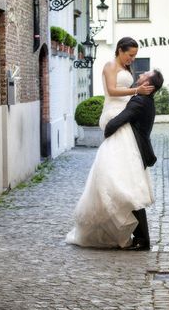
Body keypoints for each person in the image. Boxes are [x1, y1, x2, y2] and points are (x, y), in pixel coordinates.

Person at [66, 37, 156, 249]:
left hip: (125, 113)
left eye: (134, 55)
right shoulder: (109, 66)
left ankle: (126, 196)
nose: (132, 59)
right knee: (115, 160)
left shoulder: (126, 68)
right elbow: (112, 91)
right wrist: (136, 91)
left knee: (126, 162)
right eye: (130, 54)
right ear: (119, 50)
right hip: (115, 113)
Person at [104, 68, 164, 251]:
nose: (141, 74)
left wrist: (107, 129)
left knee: (133, 196)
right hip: (135, 152)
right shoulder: (145, 100)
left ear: (148, 84)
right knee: (130, 194)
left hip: (133, 153)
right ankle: (138, 237)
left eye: (145, 74)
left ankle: (142, 240)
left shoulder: (140, 101)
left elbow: (120, 120)